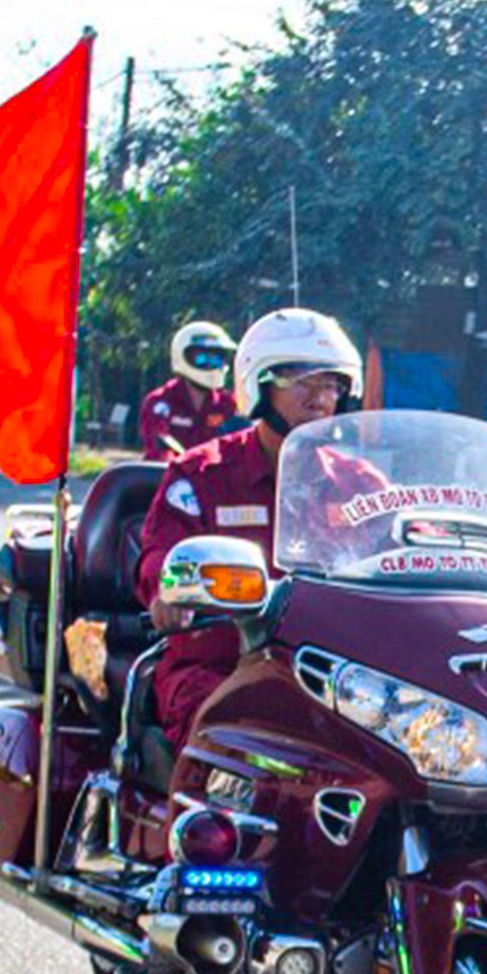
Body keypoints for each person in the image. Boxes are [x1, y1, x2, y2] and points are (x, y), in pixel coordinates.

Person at [124, 308, 365, 776]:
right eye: (303, 382)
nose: (321, 399)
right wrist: (171, 588)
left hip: (331, 676)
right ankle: (199, 845)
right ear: (260, 384)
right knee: (239, 761)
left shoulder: (357, 483)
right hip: (221, 671)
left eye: (332, 384)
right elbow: (160, 560)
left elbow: (399, 551)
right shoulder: (202, 476)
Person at [139, 319, 239, 458]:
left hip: (218, 478)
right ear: (182, 356)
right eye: (203, 358)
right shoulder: (160, 402)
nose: (212, 365)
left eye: (217, 358)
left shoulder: (229, 404)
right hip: (169, 476)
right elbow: (158, 449)